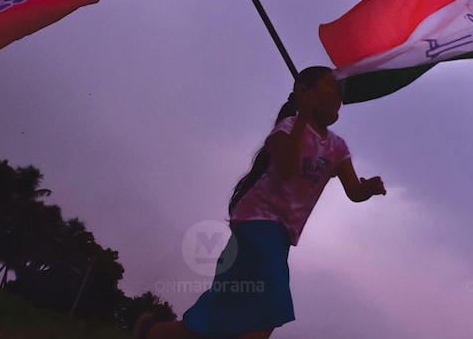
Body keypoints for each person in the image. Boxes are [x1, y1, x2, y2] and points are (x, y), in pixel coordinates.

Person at [135, 66, 386, 339]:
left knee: (223, 311)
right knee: (271, 303)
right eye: (329, 85)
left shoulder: (338, 147)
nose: (337, 92)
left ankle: (152, 333)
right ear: (305, 93)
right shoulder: (287, 129)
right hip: (258, 223)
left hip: (280, 236)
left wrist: (368, 189)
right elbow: (287, 169)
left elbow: (353, 191)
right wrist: (302, 118)